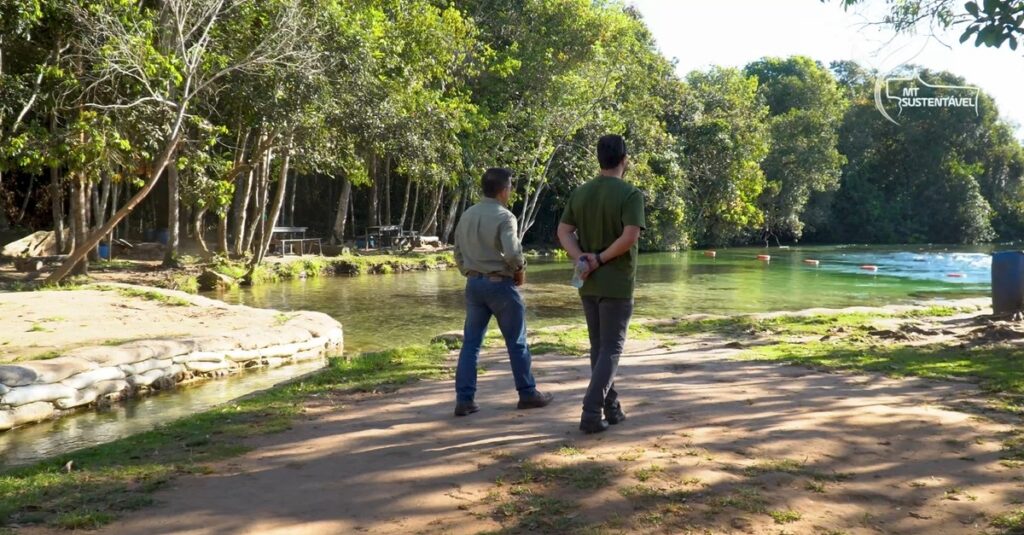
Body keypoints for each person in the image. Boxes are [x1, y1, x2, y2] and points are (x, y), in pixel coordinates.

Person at [557, 134, 645, 434]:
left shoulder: (581, 193)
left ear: (599, 159)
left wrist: (581, 257)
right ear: (625, 160)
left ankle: (612, 407)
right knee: (611, 348)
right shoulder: (630, 194)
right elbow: (630, 236)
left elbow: (564, 230)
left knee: (599, 347)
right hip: (617, 283)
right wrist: (600, 258)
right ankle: (591, 412)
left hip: (589, 282)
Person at [451, 167, 554, 417]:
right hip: (499, 285)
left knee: (471, 345)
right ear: (504, 189)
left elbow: (457, 252)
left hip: (474, 285)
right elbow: (511, 253)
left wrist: (469, 272)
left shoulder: (467, 214)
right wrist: (520, 268)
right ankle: (527, 393)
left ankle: (465, 400)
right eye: (510, 187)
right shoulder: (505, 216)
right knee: (516, 341)